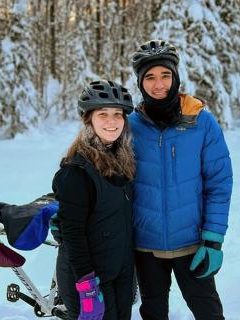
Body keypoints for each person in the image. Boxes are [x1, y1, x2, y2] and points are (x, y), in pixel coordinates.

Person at [129, 39, 233, 320]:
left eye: (165, 75)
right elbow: (103, 173)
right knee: (153, 313)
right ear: (140, 82)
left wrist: (213, 239)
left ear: (175, 77)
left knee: (209, 312)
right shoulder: (129, 125)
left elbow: (219, 183)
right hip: (145, 246)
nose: (158, 83)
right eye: (149, 77)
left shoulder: (201, 122)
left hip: (192, 243)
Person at [52, 80, 135, 320]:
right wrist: (87, 286)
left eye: (117, 114)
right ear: (89, 119)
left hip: (120, 274)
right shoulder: (76, 171)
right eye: (103, 114)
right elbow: (72, 233)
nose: (112, 121)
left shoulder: (124, 163)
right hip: (88, 279)